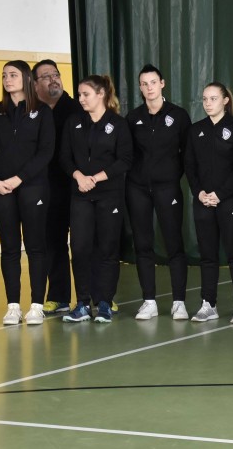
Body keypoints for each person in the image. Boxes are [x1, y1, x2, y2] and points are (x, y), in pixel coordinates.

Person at [0, 60, 55, 325]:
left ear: (26, 79)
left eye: (12, 74)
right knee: (9, 248)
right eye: (4, 75)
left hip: (33, 187)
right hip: (1, 190)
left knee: (35, 247)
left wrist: (19, 178)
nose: (7, 79)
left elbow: (46, 152)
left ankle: (36, 305)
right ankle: (13, 306)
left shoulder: (42, 112)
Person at [60, 75, 132, 323]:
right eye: (79, 94)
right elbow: (64, 157)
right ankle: (82, 303)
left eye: (85, 94)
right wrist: (79, 176)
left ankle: (104, 303)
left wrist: (96, 178)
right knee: (80, 248)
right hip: (80, 195)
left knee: (107, 249)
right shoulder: (73, 122)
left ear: (101, 94)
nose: (81, 99)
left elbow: (124, 160)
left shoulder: (118, 124)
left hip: (109, 195)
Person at [124, 64, 192, 321]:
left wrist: (172, 177)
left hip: (168, 188)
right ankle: (149, 301)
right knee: (143, 244)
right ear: (140, 88)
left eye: (153, 82)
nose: (149, 87)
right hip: (138, 189)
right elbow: (128, 154)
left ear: (162, 84)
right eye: (144, 84)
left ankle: (179, 302)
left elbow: (188, 154)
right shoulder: (133, 118)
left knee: (174, 243)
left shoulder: (179, 116)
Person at [185, 83, 233, 324]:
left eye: (213, 98)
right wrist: (199, 193)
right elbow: (190, 166)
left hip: (229, 200)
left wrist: (221, 194)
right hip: (203, 201)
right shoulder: (196, 130)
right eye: (205, 99)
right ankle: (208, 303)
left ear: (225, 100)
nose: (208, 103)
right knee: (207, 254)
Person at [32, 59, 83, 315]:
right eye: (46, 76)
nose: (53, 79)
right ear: (35, 84)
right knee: (53, 243)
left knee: (84, 243)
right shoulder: (33, 112)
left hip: (78, 186)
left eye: (56, 74)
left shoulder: (77, 109)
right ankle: (59, 297)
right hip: (48, 188)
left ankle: (95, 297)